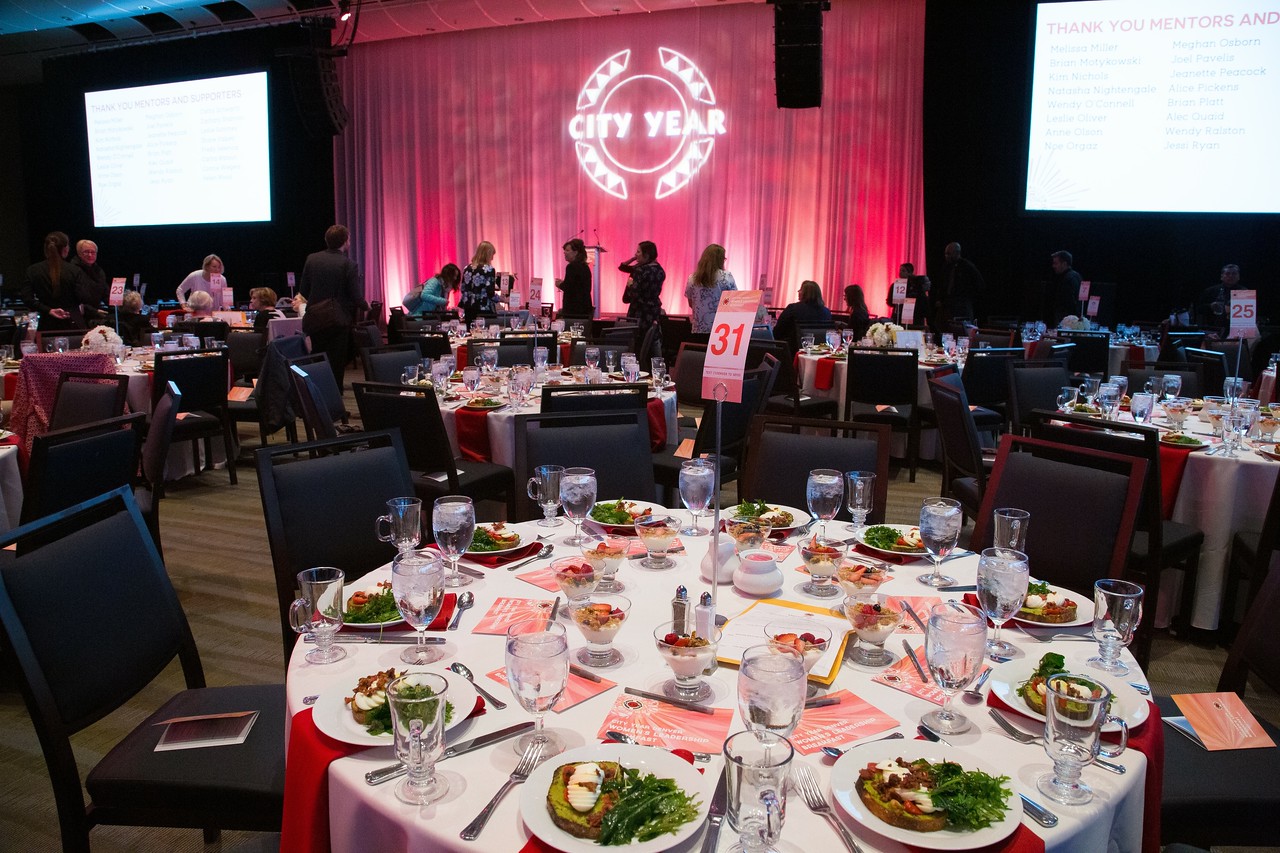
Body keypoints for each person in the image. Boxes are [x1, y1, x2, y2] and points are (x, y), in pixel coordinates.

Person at [300, 224, 365, 390]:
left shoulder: (311, 259)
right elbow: (355, 295)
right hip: (337, 320)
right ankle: (335, 398)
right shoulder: (348, 264)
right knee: (336, 360)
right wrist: (366, 306)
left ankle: (316, 394)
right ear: (345, 241)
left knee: (318, 356)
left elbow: (303, 290)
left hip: (315, 318)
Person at [22, 231, 90, 332]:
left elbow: (27, 299)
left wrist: (48, 310)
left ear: (46, 249)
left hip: (46, 325)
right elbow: (83, 297)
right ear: (65, 249)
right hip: (72, 323)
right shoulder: (75, 270)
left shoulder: (33, 270)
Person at [619, 240, 666, 350]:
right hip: (653, 310)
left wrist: (630, 285)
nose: (636, 254)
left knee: (637, 343)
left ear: (646, 255)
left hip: (639, 311)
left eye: (638, 252)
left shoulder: (640, 270)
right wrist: (635, 258)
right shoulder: (660, 270)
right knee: (651, 341)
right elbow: (623, 267)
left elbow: (633, 294)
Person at [684, 243, 736, 333]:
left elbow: (691, 303)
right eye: (724, 258)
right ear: (720, 260)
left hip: (698, 329)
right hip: (721, 330)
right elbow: (734, 300)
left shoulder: (692, 278)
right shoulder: (726, 276)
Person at [934, 242, 985, 330]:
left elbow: (979, 284)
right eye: (945, 254)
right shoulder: (946, 267)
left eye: (949, 254)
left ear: (957, 253)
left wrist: (967, 296)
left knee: (961, 329)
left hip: (962, 305)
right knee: (943, 328)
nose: (946, 256)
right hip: (946, 304)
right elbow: (941, 284)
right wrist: (939, 298)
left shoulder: (967, 266)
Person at [774, 280, 832, 347]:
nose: (798, 292)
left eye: (800, 290)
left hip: (792, 351)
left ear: (804, 293)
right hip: (820, 351)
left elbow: (777, 333)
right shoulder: (827, 312)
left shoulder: (793, 309)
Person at [1196, 264, 1239, 339]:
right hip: (1212, 330)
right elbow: (1199, 309)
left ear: (1238, 277)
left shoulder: (1245, 292)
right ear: (1222, 276)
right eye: (1228, 273)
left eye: (1234, 274)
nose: (1231, 276)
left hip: (1237, 330)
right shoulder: (1210, 291)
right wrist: (1210, 306)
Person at [72, 239, 109, 325]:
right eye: (86, 252)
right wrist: (94, 311)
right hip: (78, 317)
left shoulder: (99, 271)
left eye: (93, 252)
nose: (90, 255)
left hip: (96, 314)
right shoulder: (73, 271)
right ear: (79, 253)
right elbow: (74, 299)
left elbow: (106, 293)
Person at [459, 242, 498, 324]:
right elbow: (490, 292)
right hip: (484, 307)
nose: (492, 258)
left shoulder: (467, 268)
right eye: (492, 255)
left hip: (468, 307)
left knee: (471, 332)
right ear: (487, 254)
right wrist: (500, 299)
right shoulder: (488, 269)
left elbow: (463, 288)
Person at [556, 239, 594, 319]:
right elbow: (577, 286)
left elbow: (568, 287)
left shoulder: (572, 267)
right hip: (584, 308)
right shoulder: (585, 267)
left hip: (574, 310)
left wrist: (560, 284)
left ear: (575, 252)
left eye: (567, 250)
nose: (564, 252)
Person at [884, 262, 930, 327]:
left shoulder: (917, 286)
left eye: (903, 270)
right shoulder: (895, 285)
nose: (900, 272)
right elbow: (889, 301)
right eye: (900, 270)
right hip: (898, 315)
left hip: (913, 316)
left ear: (910, 272)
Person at [1050, 250, 1083, 325]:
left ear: (1064, 264)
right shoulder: (1077, 276)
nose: (1053, 266)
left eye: (1056, 263)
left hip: (1067, 323)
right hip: (1075, 321)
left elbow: (1069, 303)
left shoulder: (1066, 279)